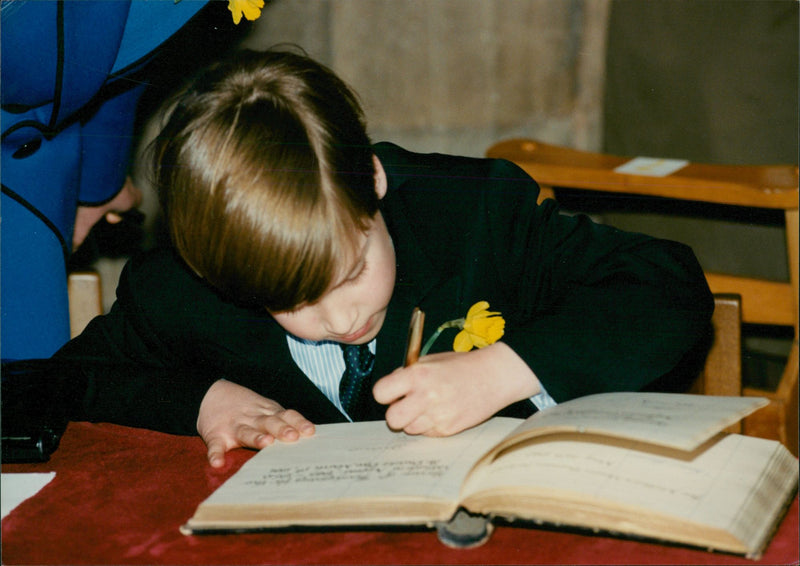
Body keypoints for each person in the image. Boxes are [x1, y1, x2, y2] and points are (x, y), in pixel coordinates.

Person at [51, 48, 714, 468]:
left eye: (352, 273)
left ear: (372, 182)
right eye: (289, 302)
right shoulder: (183, 288)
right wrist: (201, 399)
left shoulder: (473, 212)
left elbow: (667, 287)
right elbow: (50, 385)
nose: (339, 318)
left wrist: (502, 372)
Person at [1, 0, 209, 361]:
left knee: (34, 390)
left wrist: (100, 184)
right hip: (23, 142)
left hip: (27, 162)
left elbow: (121, 42)